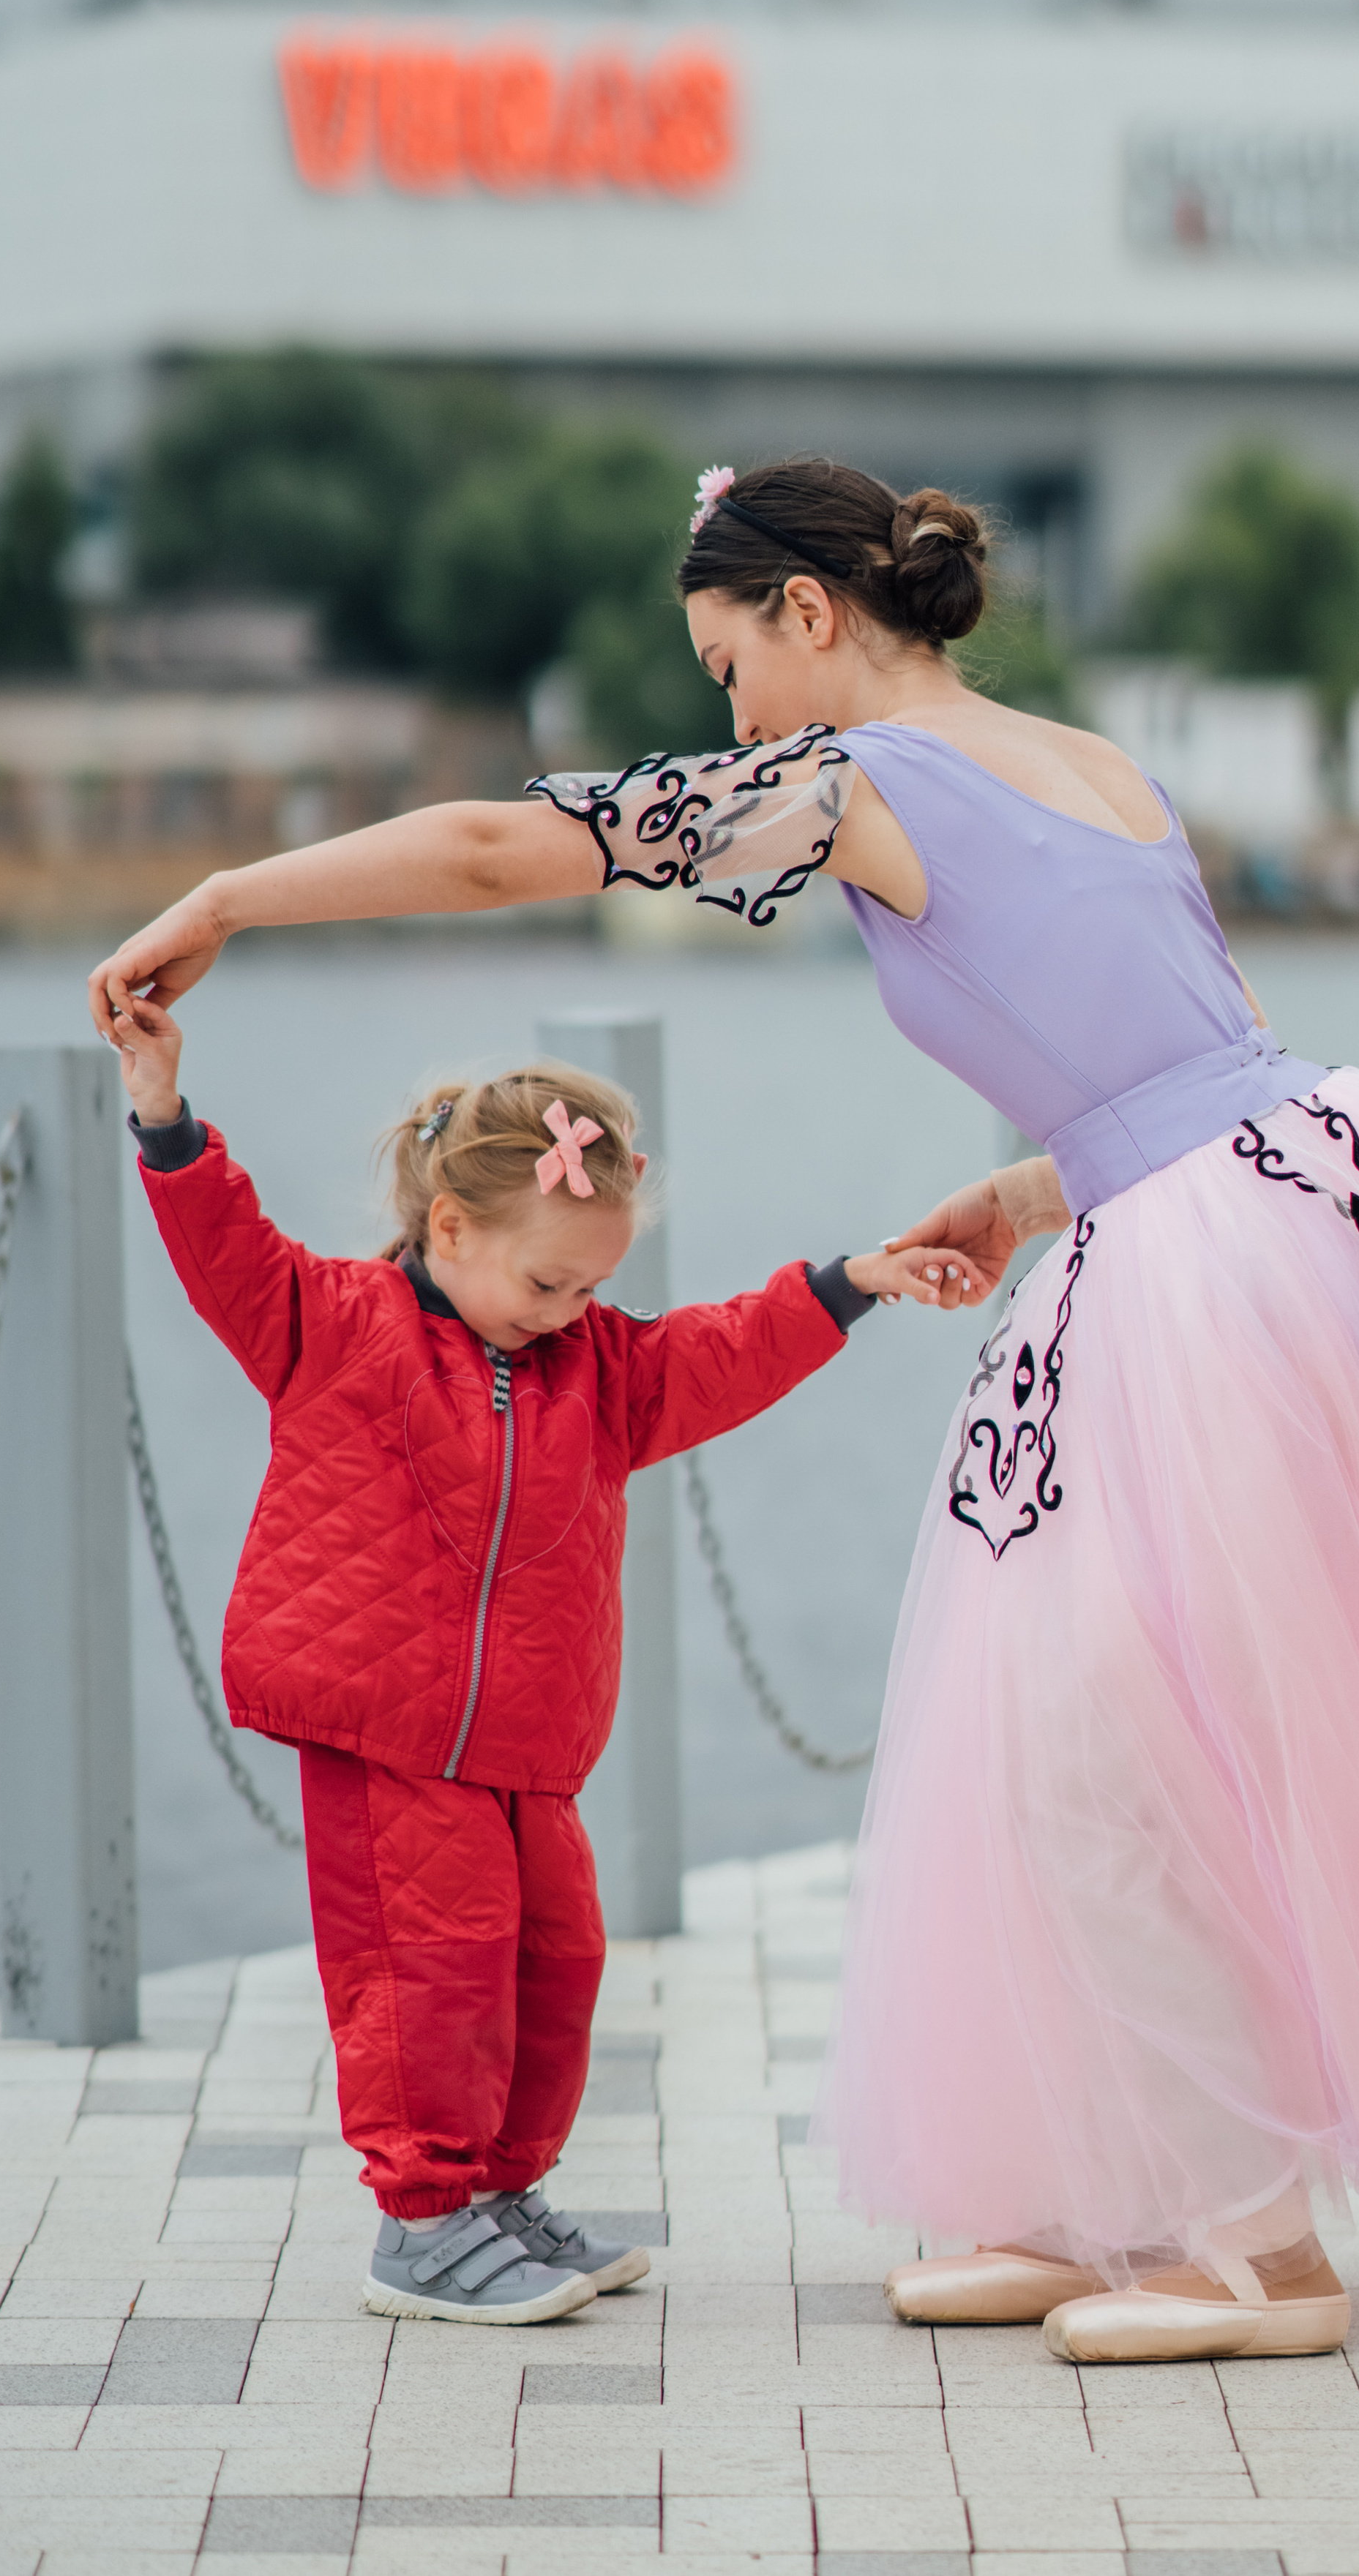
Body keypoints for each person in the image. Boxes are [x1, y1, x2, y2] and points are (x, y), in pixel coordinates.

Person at [91, 455, 1359, 2367]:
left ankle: (1255, 2240)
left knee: (1131, 1732)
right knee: (1058, 1717)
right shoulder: (1097, 760)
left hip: (1218, 1255)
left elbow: (494, 851)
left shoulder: (859, 783)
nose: (734, 715)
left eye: (724, 667)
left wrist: (231, 897)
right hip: (1306, 1192)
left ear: (807, 612)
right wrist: (1033, 1191)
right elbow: (1189, 1042)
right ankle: (1113, 2181)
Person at [110, 988, 954, 2327]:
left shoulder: (597, 1374)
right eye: (548, 1281)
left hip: (527, 1751)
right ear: (450, 1227)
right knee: (429, 1970)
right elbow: (224, 1248)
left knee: (555, 1963)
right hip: (393, 1739)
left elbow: (720, 1351)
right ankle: (423, 2221)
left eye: (593, 1287)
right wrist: (163, 1112)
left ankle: (499, 2191)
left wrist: (852, 1283)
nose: (568, 1312)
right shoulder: (332, 1326)